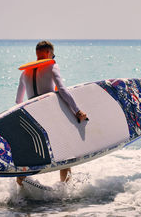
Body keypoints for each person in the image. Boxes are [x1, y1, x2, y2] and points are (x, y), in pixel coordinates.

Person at [15, 40, 87, 186]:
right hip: (49, 114)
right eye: (53, 55)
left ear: (37, 53)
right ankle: (65, 190)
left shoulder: (25, 73)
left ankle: (21, 186)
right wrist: (77, 111)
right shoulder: (52, 65)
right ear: (48, 53)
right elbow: (62, 89)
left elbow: (18, 101)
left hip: (32, 115)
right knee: (65, 152)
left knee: (34, 151)